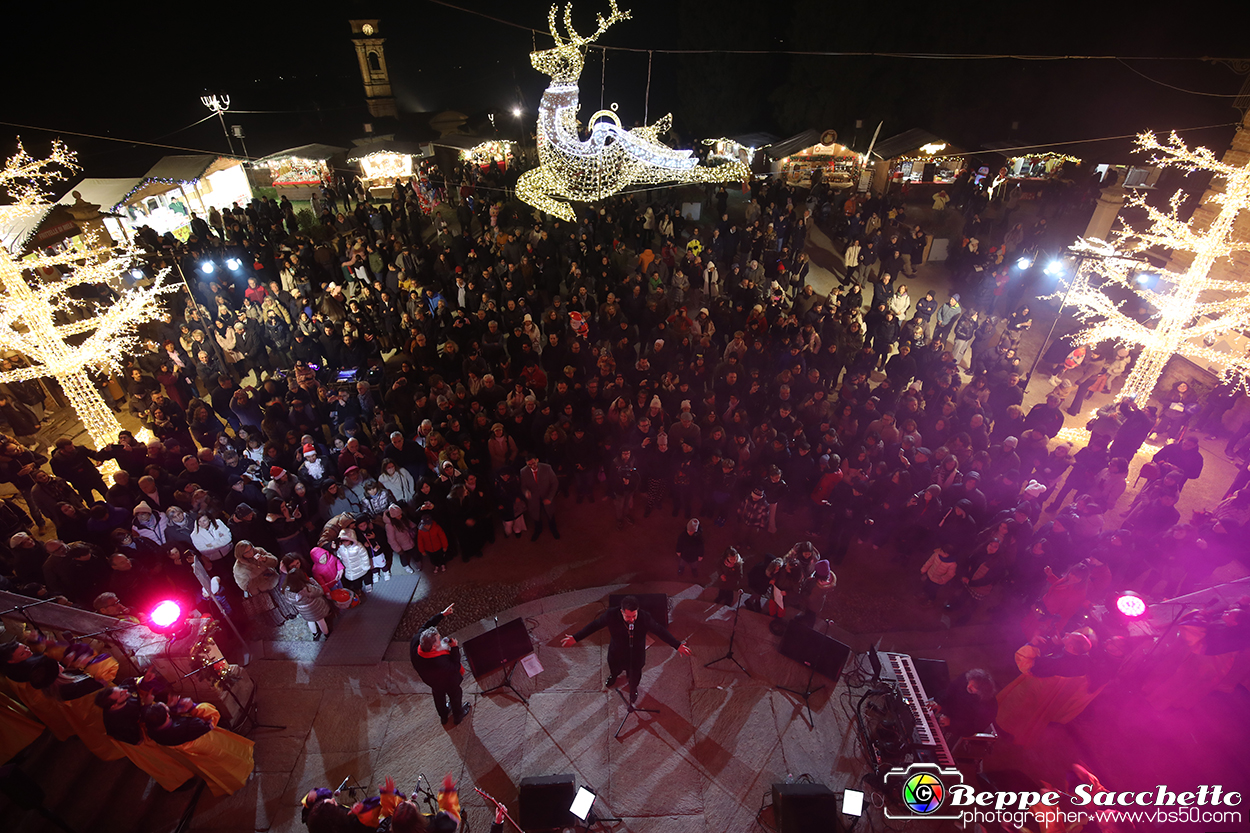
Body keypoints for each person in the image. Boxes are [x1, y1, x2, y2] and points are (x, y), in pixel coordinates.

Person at [560, 595, 692, 704]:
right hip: (616, 652)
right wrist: (575, 638)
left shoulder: (644, 617)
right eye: (628, 617)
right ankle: (613, 677)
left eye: (634, 616)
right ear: (622, 611)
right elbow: (594, 625)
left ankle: (633, 689)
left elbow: (660, 630)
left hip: (636, 655)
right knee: (614, 669)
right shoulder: (611, 615)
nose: (632, 620)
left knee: (635, 675)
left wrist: (677, 645)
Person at [409, 603, 471, 725]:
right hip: (448, 682)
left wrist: (442, 614)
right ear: (433, 647)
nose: (442, 639)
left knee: (438, 697)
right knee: (455, 695)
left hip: (433, 682)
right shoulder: (440, 662)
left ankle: (443, 716)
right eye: (439, 640)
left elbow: (426, 626)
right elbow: (455, 666)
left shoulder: (416, 641)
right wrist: (454, 648)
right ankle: (458, 715)